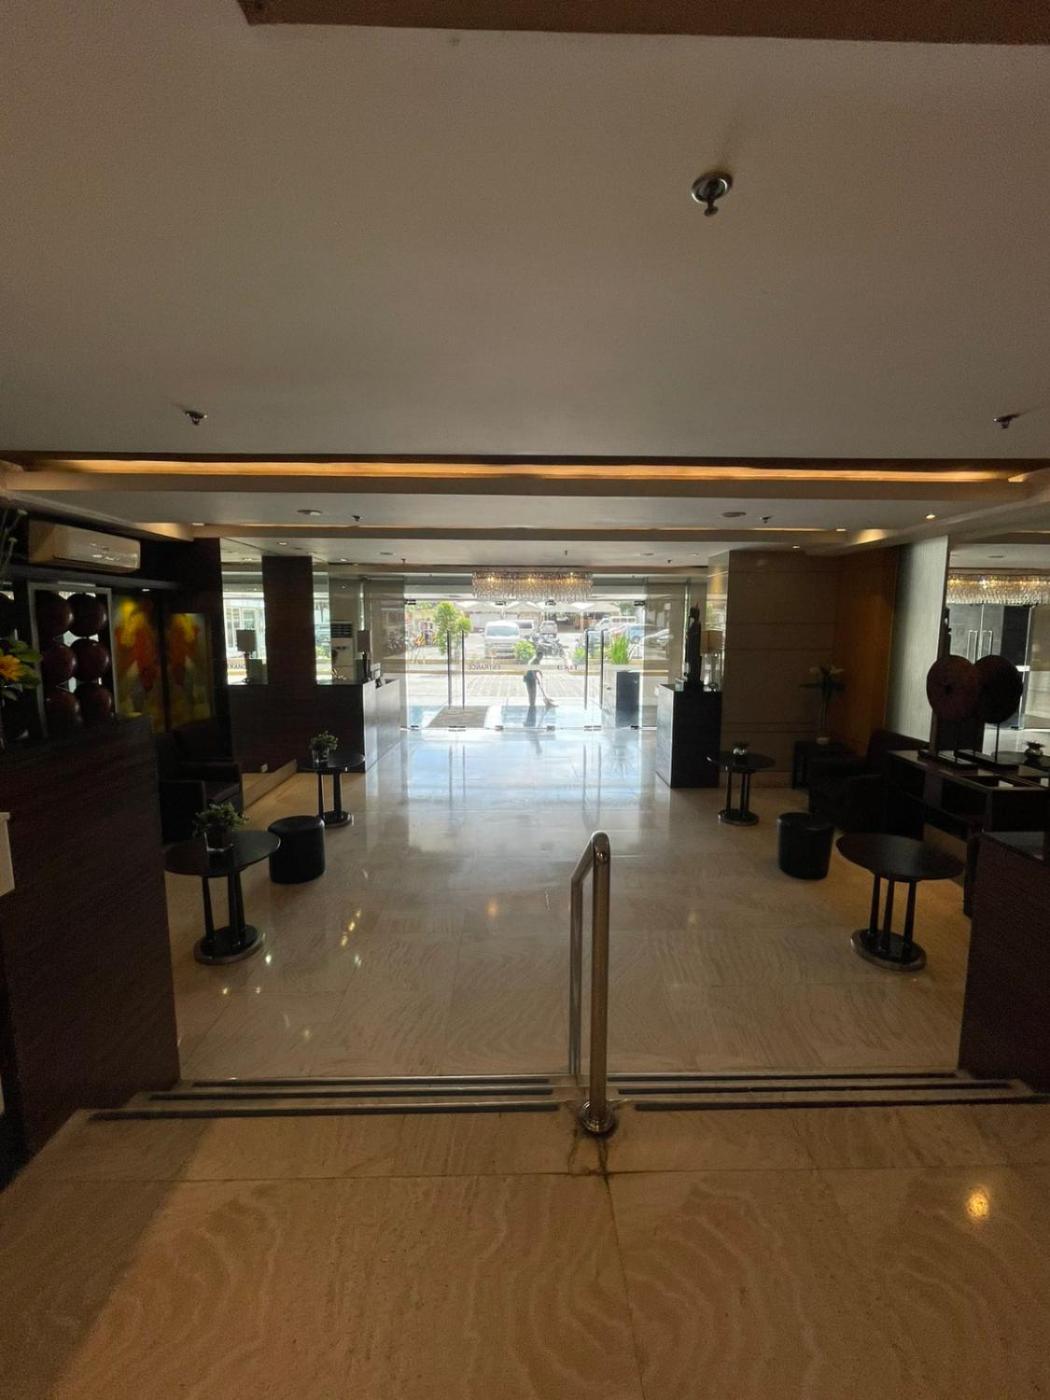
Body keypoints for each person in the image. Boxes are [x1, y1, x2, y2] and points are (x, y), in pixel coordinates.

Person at [523, 636, 556, 708]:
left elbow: (537, 670)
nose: (541, 658)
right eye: (541, 656)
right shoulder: (535, 660)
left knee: (534, 692)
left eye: (542, 656)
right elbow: (533, 670)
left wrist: (539, 675)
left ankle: (545, 700)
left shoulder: (536, 659)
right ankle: (535, 704)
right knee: (532, 693)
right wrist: (537, 678)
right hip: (529, 678)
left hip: (530, 677)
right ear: (538, 655)